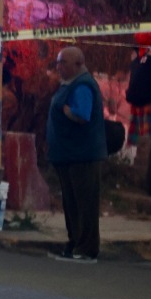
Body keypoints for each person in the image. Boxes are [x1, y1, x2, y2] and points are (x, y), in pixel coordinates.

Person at [47, 46, 107, 262]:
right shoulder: (69, 84)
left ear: (78, 64)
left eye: (63, 63)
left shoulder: (82, 85)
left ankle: (87, 248)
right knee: (72, 203)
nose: (58, 67)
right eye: (58, 62)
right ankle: (74, 243)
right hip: (69, 155)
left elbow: (82, 115)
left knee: (84, 204)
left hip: (82, 156)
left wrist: (66, 111)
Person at [126, 33, 151, 150]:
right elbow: (134, 77)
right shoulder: (137, 51)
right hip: (135, 106)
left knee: (149, 148)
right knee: (135, 149)